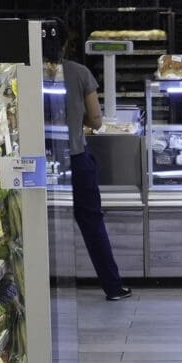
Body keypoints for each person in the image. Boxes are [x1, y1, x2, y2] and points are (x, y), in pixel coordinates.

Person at [53, 26, 130, 301]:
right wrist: (78, 118)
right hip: (75, 159)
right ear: (65, 45)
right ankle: (112, 286)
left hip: (39, 165)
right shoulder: (79, 72)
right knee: (92, 224)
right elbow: (96, 120)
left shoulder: (25, 74)